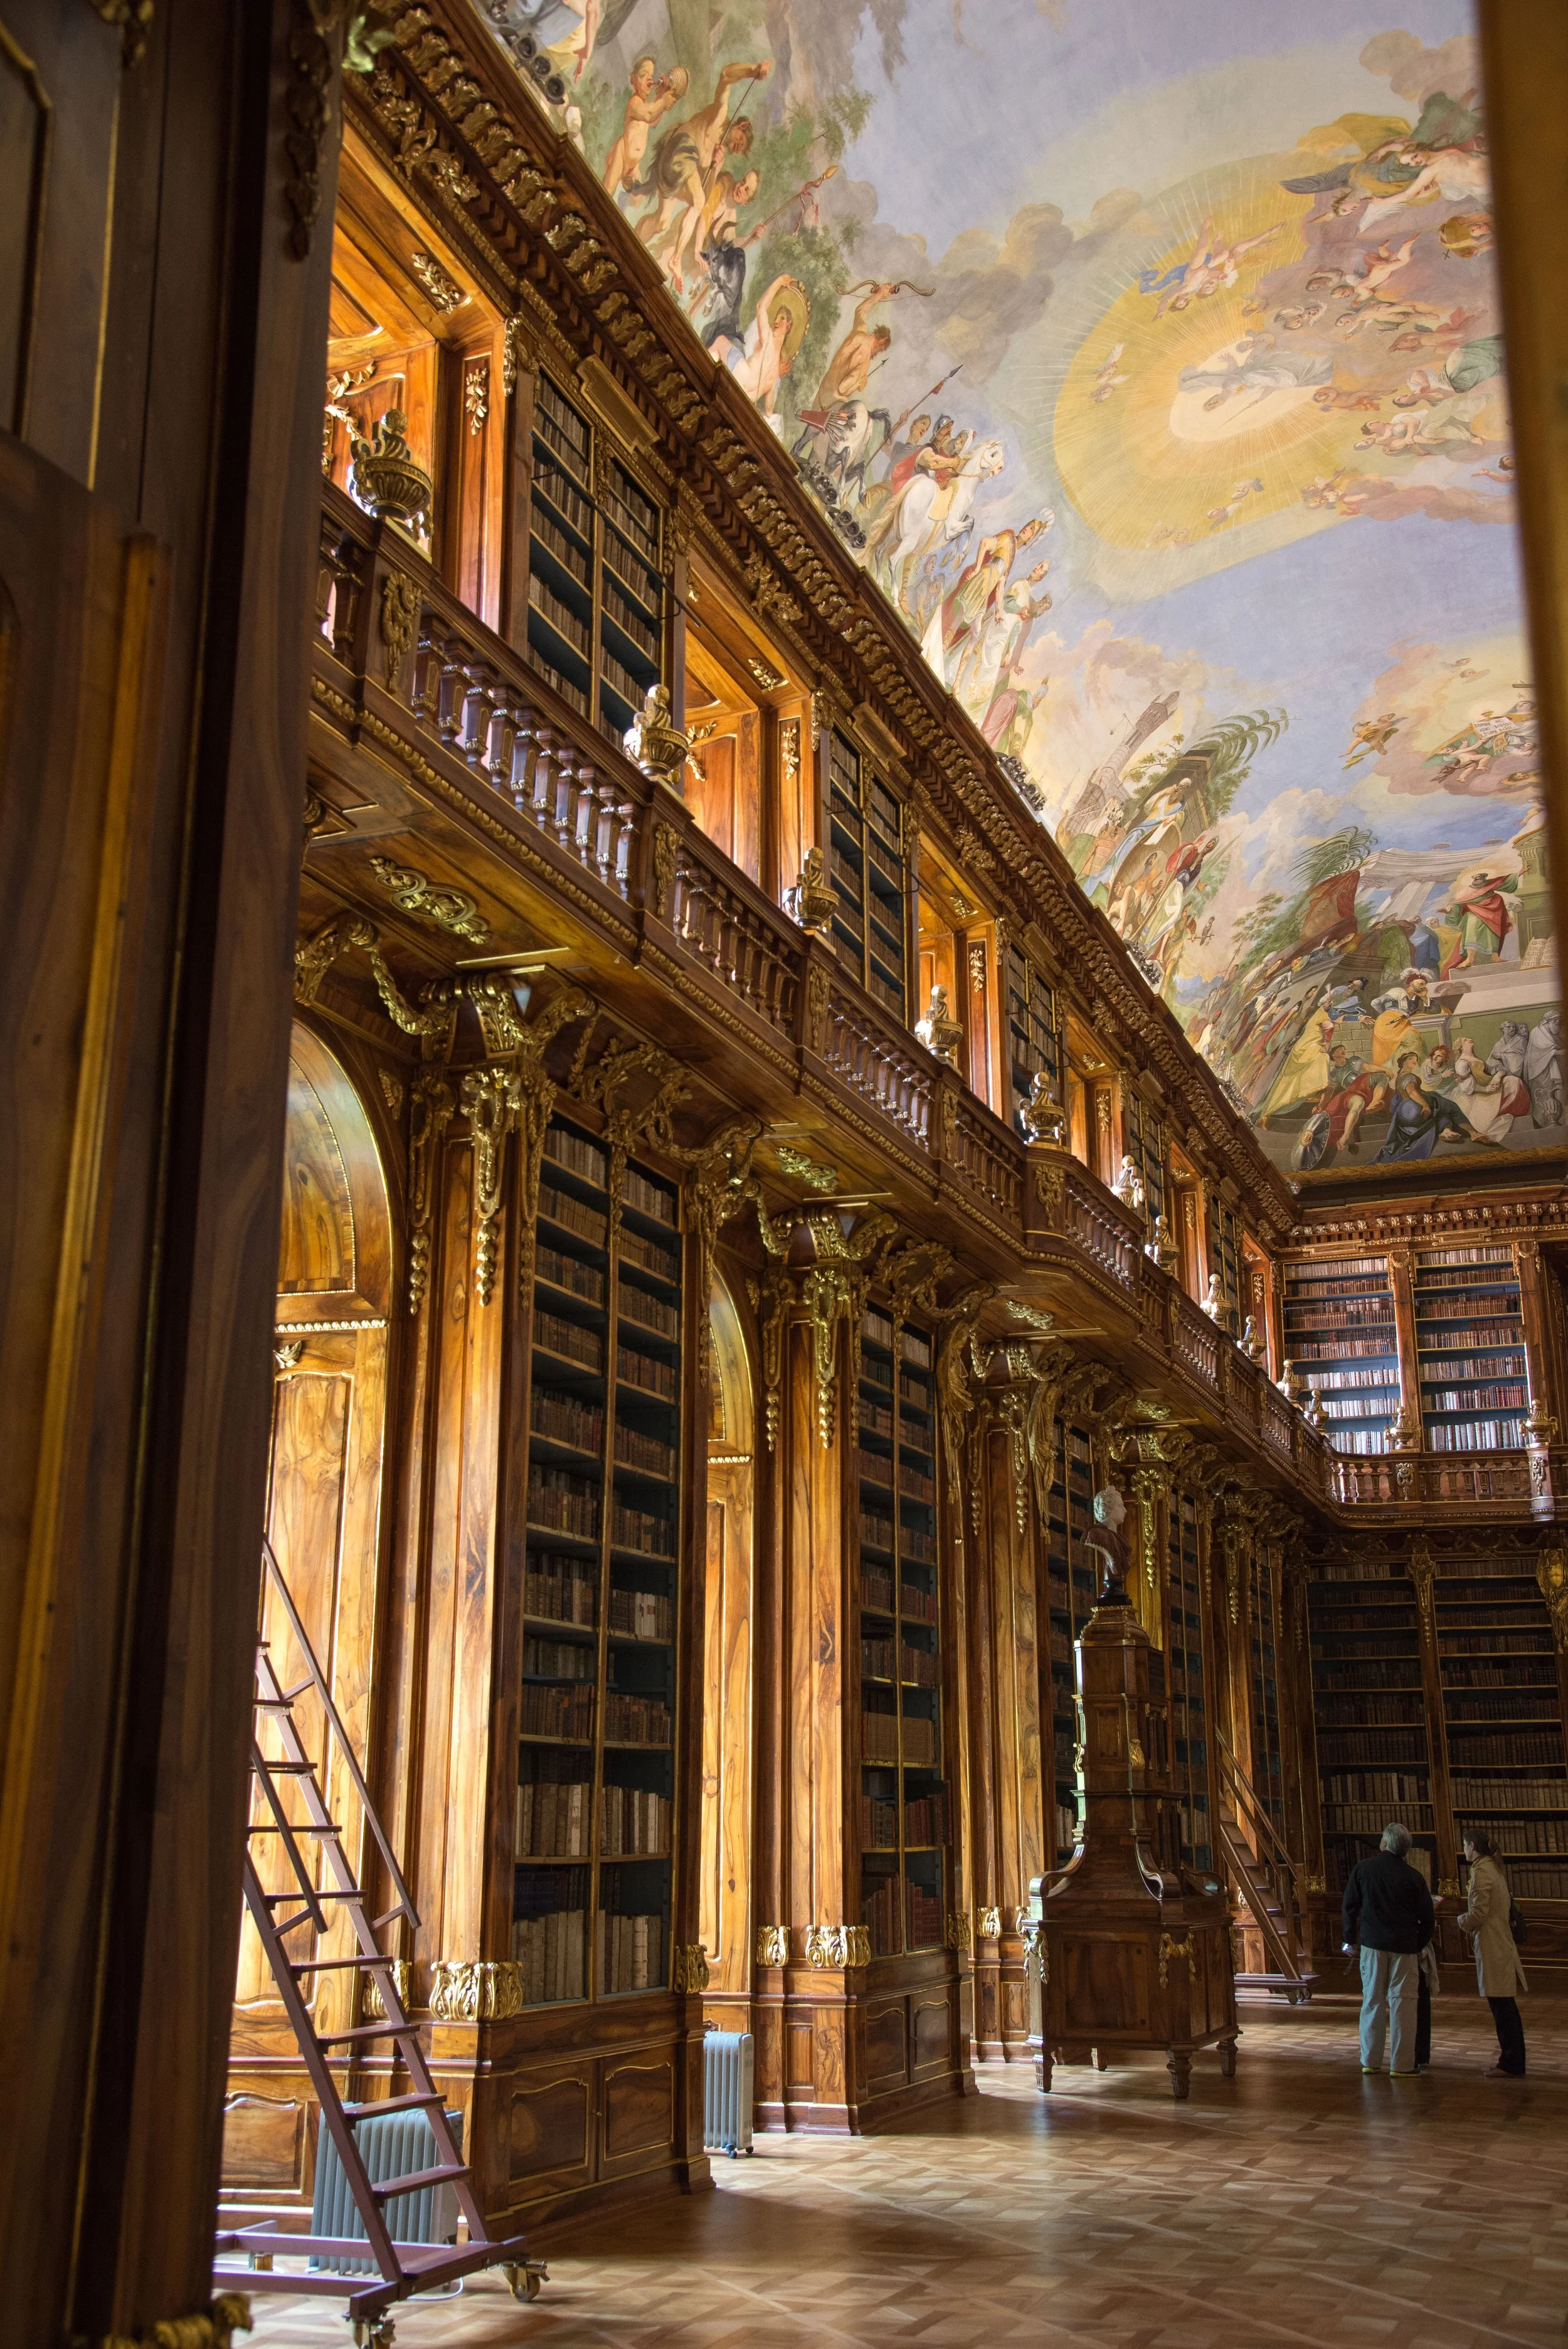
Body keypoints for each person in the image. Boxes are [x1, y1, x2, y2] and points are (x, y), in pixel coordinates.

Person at [1342, 1821, 1434, 2076]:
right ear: (1406, 1850)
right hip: (1405, 1948)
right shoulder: (1415, 1877)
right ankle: (1402, 2065)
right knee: (1404, 2005)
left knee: (1372, 2001)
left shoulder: (1364, 1869)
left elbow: (1350, 1906)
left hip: (1372, 1946)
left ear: (1384, 1843)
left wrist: (1350, 1939)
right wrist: (1418, 1944)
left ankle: (1370, 2061)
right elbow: (1427, 1918)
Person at [1456, 1831, 1527, 2076]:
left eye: (1464, 1845)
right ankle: (1513, 2061)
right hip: (1499, 1941)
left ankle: (1511, 2063)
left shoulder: (1482, 1871)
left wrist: (1461, 1921)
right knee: (1505, 2004)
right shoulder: (1492, 1868)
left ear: (1472, 1846)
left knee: (1502, 2006)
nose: (1463, 1849)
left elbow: (1478, 1913)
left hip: (1492, 1944)